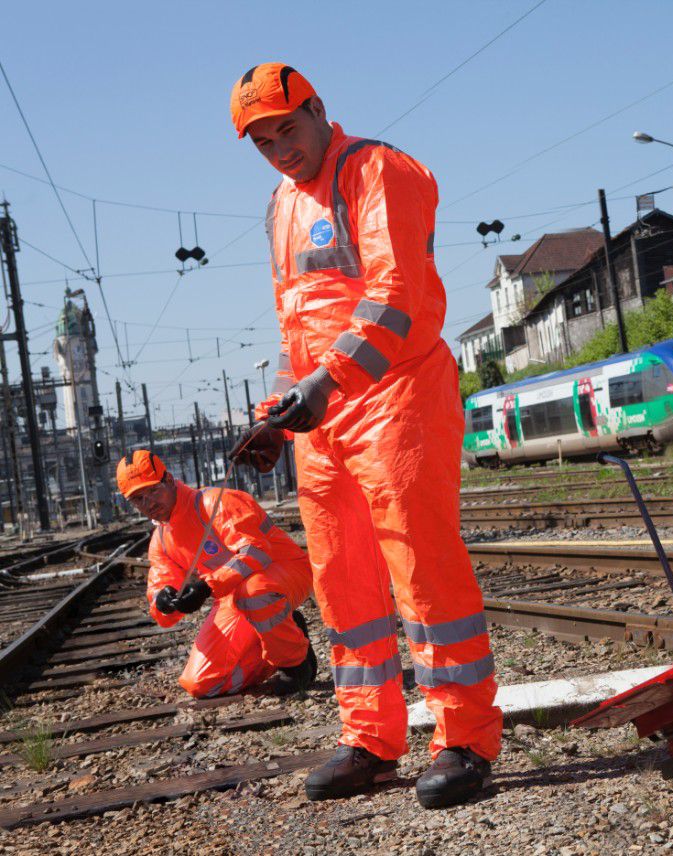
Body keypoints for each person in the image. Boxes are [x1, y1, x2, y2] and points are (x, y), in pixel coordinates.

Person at [227, 63, 501, 807]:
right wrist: (280, 410)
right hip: (323, 418)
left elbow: (397, 294)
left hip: (397, 398)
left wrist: (327, 382)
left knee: (423, 572)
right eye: (262, 140)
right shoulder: (282, 206)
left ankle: (466, 740)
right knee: (344, 582)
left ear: (319, 111)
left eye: (288, 128)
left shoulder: (379, 170)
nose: (280, 148)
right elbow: (297, 325)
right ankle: (370, 739)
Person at [117, 450, 316, 699]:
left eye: (153, 491)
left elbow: (255, 552)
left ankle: (295, 666)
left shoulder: (214, 502)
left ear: (168, 480)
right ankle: (284, 641)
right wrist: (164, 602)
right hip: (233, 597)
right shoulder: (162, 541)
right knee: (200, 685)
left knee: (254, 591)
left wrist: (207, 586)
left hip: (284, 570)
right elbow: (160, 591)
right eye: (138, 499)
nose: (149, 504)